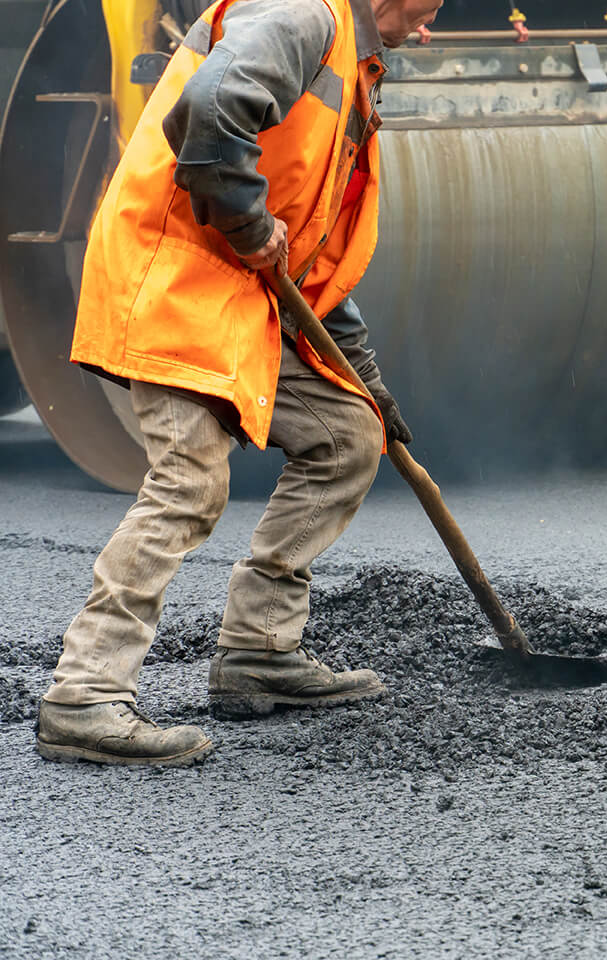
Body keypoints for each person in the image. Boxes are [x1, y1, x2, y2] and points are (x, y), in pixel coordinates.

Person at [34, 0, 444, 766]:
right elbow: (209, 112)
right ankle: (84, 695)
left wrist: (368, 383)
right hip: (174, 281)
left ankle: (259, 651)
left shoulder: (354, 71)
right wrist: (252, 227)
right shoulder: (303, 20)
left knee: (347, 436)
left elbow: (311, 255)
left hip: (236, 298)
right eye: (434, 5)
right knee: (191, 481)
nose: (433, 23)